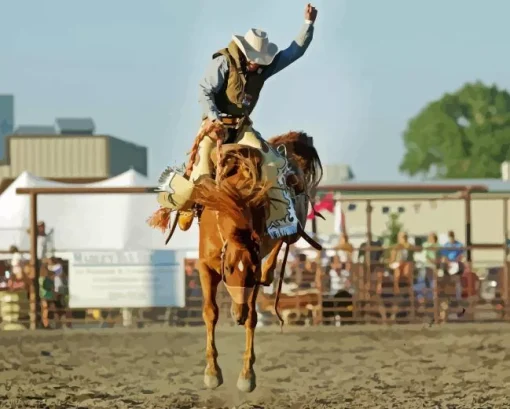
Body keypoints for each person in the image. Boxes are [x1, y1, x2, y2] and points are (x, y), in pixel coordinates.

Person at [157, 4, 318, 238]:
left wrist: (308, 24)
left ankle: (279, 220)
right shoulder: (223, 62)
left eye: (262, 60)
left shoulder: (264, 68)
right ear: (244, 54)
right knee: (201, 172)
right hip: (215, 128)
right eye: (255, 60)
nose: (258, 65)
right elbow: (204, 91)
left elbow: (295, 51)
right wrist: (214, 119)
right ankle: (186, 205)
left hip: (242, 128)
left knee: (274, 163)